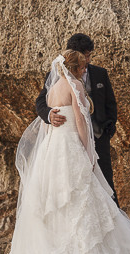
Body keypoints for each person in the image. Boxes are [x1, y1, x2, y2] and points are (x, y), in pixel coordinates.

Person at [0, 49, 130, 254]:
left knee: (56, 198)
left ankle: (58, 250)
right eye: (83, 67)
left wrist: (49, 150)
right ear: (77, 68)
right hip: (70, 144)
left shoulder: (52, 89)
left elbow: (47, 126)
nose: (85, 70)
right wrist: (88, 152)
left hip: (53, 147)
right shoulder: (76, 86)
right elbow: (81, 121)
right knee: (79, 194)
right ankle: (83, 251)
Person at [36, 33, 119, 202]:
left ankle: (114, 222)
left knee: (106, 183)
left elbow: (111, 102)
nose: (88, 61)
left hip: (99, 136)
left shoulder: (100, 73)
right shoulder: (56, 77)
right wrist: (49, 114)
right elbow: (40, 102)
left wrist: (108, 128)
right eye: (85, 56)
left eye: (89, 55)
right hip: (72, 140)